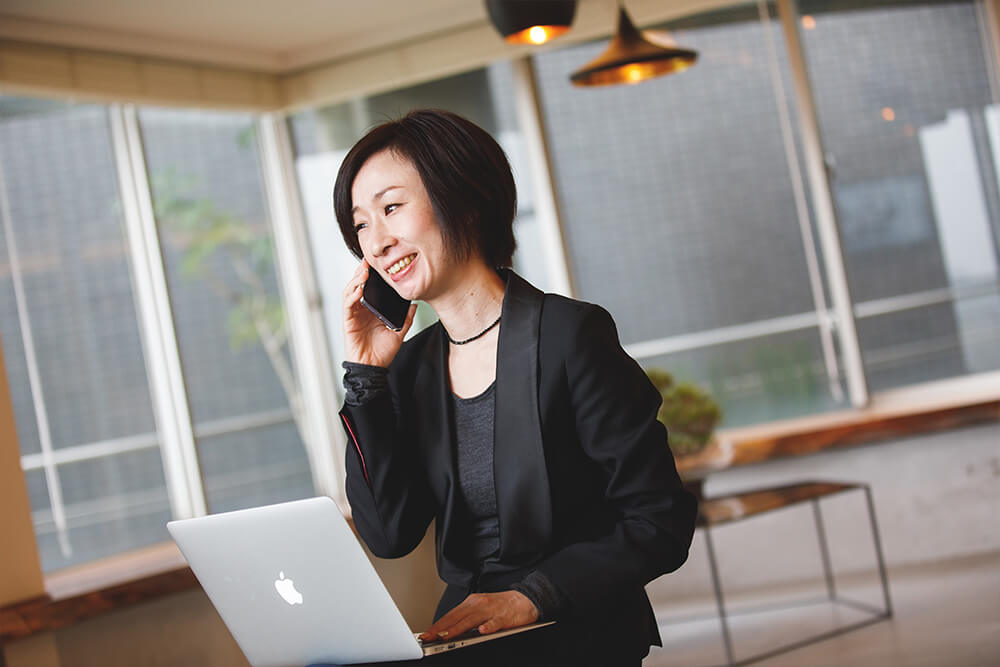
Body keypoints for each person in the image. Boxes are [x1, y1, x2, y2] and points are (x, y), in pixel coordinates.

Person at [332, 109, 697, 666]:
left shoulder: (570, 336)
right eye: (360, 225)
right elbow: (389, 534)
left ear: (464, 200)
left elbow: (658, 519)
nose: (375, 243)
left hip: (579, 631)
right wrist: (366, 378)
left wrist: (535, 597)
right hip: (470, 640)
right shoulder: (411, 368)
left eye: (391, 208)